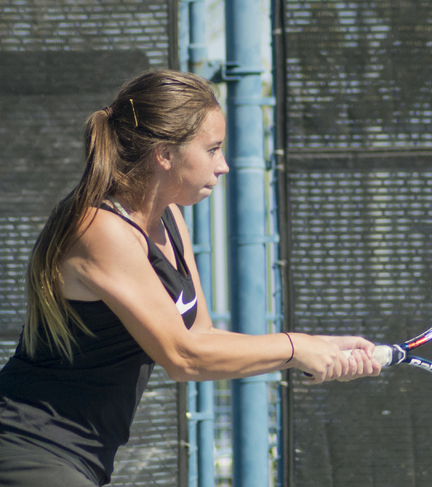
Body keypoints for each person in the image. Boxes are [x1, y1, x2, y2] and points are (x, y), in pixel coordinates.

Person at [0, 70, 381, 486]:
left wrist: (316, 346)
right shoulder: (100, 230)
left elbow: (202, 336)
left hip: (81, 459)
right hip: (27, 448)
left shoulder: (170, 219)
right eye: (213, 149)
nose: (224, 166)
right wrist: (294, 349)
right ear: (165, 153)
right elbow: (183, 357)